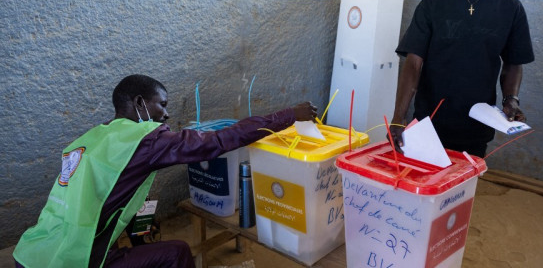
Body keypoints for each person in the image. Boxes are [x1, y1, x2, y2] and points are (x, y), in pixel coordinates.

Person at [13, 74, 318, 268]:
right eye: (162, 105)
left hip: (31, 253)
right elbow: (219, 142)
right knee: (176, 253)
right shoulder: (144, 141)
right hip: (74, 261)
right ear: (140, 103)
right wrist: (289, 115)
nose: (167, 113)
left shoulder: (89, 139)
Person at [389, 0, 534, 157]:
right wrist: (398, 117)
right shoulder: (433, 4)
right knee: (424, 184)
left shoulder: (510, 8)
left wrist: (511, 99)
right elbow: (414, 63)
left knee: (462, 188)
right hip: (429, 121)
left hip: (475, 125)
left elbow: (513, 63)